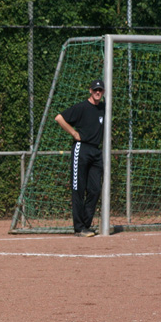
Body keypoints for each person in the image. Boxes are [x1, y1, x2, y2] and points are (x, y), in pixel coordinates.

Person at [54, 78, 106, 237]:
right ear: (90, 90)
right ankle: (79, 227)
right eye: (95, 90)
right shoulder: (82, 107)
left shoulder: (104, 108)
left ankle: (86, 224)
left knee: (95, 189)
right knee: (78, 189)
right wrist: (74, 133)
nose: (98, 92)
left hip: (96, 152)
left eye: (100, 90)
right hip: (81, 149)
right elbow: (59, 118)